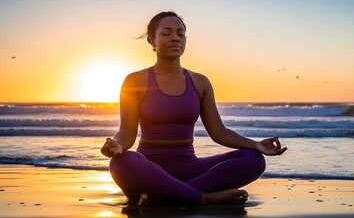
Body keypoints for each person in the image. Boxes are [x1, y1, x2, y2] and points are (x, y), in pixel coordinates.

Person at [100, 11, 287, 206]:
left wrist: (255, 144)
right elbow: (126, 132)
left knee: (253, 159)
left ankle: (164, 196)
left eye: (181, 34)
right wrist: (118, 146)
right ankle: (203, 197)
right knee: (121, 163)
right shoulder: (135, 81)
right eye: (166, 33)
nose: (175, 38)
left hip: (190, 168)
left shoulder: (200, 82)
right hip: (149, 170)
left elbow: (219, 132)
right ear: (152, 40)